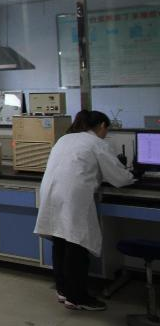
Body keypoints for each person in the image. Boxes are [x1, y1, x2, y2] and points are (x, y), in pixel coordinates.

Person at [34, 110, 136, 311]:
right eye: (107, 130)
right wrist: (133, 176)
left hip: (51, 191)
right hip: (72, 195)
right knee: (76, 244)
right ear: (102, 126)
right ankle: (77, 297)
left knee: (60, 240)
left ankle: (63, 290)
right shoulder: (96, 143)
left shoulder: (64, 139)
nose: (106, 134)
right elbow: (118, 177)